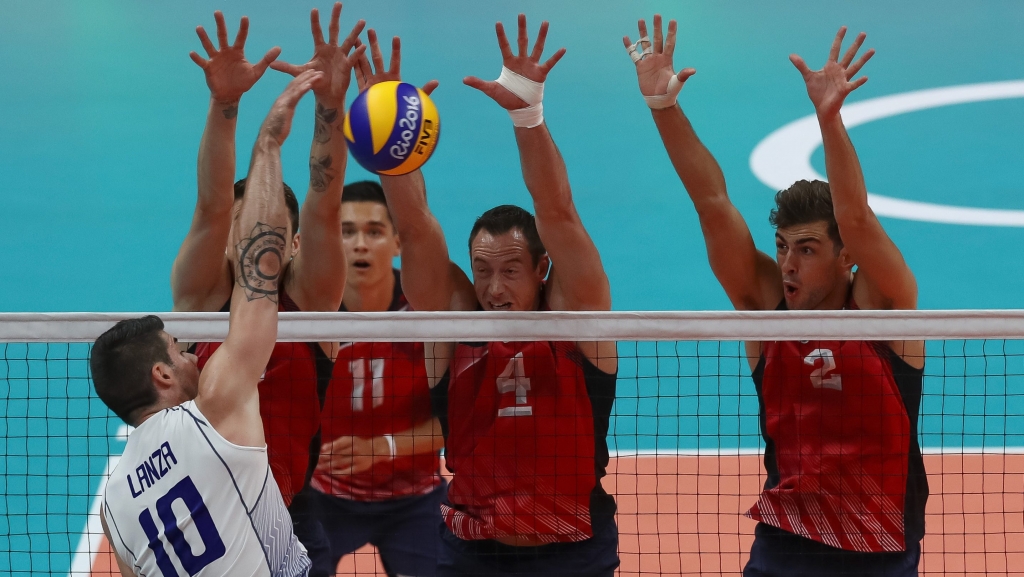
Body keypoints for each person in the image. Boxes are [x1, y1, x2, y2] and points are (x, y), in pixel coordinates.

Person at [625, 16, 927, 576]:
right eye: (783, 247)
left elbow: (857, 218)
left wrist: (829, 120)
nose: (788, 263)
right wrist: (663, 108)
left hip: (878, 547)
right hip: (786, 540)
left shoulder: (884, 307)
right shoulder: (767, 310)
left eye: (808, 249)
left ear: (846, 257)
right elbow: (713, 204)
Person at [359, 16, 619, 576]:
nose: (494, 289)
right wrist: (390, 142)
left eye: (510, 270)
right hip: (469, 554)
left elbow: (559, 213)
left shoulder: (577, 319)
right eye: (481, 271)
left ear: (542, 268)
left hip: (577, 553)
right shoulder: (454, 326)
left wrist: (527, 115)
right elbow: (418, 228)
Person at [95, 70, 323, 577]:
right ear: (161, 375)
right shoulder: (213, 409)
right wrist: (267, 144)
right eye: (179, 351)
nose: (195, 354)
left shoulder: (112, 507)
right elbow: (261, 275)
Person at [300, 179, 446, 576]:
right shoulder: (305, 317)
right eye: (346, 232)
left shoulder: (428, 312)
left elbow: (463, 421)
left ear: (399, 242)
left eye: (374, 232)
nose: (360, 244)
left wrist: (383, 448)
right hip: (322, 497)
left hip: (416, 498)